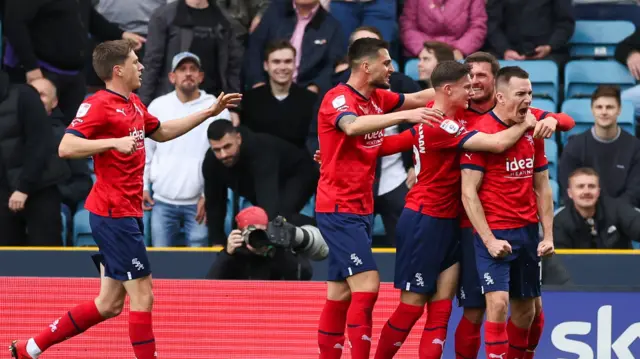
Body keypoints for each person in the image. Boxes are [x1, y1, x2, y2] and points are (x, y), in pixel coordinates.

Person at [9, 39, 241, 359]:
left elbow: (161, 131)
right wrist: (112, 143)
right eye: (135, 61)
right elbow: (67, 147)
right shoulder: (99, 104)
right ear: (118, 69)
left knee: (108, 305)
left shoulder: (132, 103)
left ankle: (29, 348)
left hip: (126, 213)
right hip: (113, 213)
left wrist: (209, 112)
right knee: (143, 296)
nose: (141, 66)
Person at [372, 61, 537, 359]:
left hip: (448, 221)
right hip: (424, 219)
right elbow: (497, 143)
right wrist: (528, 123)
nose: (472, 89)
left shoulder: (447, 118)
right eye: (466, 85)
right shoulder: (440, 125)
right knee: (411, 307)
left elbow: (386, 145)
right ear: (448, 89)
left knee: (441, 310)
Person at [314, 37, 444, 359]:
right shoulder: (338, 99)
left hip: (361, 209)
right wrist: (404, 118)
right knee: (368, 285)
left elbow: (415, 98)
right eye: (386, 63)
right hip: (338, 207)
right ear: (366, 66)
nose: (392, 68)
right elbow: (353, 127)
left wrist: (453, 90)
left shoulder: (377, 98)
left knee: (340, 291)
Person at [453, 52, 576, 359]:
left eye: (531, 94)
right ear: (501, 97)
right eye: (521, 94)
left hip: (526, 232)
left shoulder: (534, 130)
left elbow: (542, 187)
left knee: (527, 313)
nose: (527, 100)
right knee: (496, 304)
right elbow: (469, 193)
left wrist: (547, 235)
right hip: (493, 232)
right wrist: (489, 239)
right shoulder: (480, 133)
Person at [143, 51, 231, 248]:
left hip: (198, 203)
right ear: (172, 77)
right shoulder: (157, 106)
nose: (188, 73)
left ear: (201, 76)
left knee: (197, 265)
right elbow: (146, 151)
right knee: (160, 263)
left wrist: (209, 196)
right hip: (161, 201)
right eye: (182, 69)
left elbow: (224, 158)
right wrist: (144, 186)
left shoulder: (216, 107)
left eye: (193, 69)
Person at [202, 120, 319, 244]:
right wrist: (217, 244)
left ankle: (322, 231)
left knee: (279, 218)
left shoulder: (260, 150)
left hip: (299, 173)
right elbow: (214, 204)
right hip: (261, 182)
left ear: (238, 138)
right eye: (217, 150)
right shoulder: (211, 162)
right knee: (272, 221)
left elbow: (269, 205)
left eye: (227, 146)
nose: (223, 154)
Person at [0, 72, 69, 247]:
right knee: (8, 261)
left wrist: (23, 188)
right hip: (5, 192)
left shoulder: (25, 95)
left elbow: (39, 144)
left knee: (47, 258)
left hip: (39, 188)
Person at [206, 206, 314, 280]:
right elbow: (209, 284)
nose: (257, 236)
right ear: (240, 233)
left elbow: (305, 275)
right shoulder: (234, 255)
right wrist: (227, 254)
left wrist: (279, 251)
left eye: (261, 231)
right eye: (252, 232)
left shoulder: (276, 253)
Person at [554, 167, 640, 249]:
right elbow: (558, 260)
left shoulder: (617, 209)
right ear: (570, 193)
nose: (586, 191)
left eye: (591, 186)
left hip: (620, 264)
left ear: (598, 192)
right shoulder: (560, 222)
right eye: (580, 186)